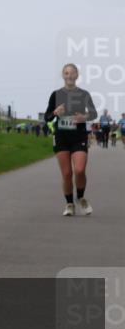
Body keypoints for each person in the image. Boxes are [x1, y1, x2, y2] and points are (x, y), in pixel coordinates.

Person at [43, 63, 98, 216]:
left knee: (79, 170)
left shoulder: (84, 94)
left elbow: (93, 114)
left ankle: (80, 198)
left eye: (72, 73)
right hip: (61, 137)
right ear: (63, 76)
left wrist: (84, 117)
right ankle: (69, 204)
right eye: (66, 73)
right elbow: (47, 117)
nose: (69, 76)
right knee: (67, 174)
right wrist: (55, 112)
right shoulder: (55, 94)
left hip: (78, 136)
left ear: (77, 75)